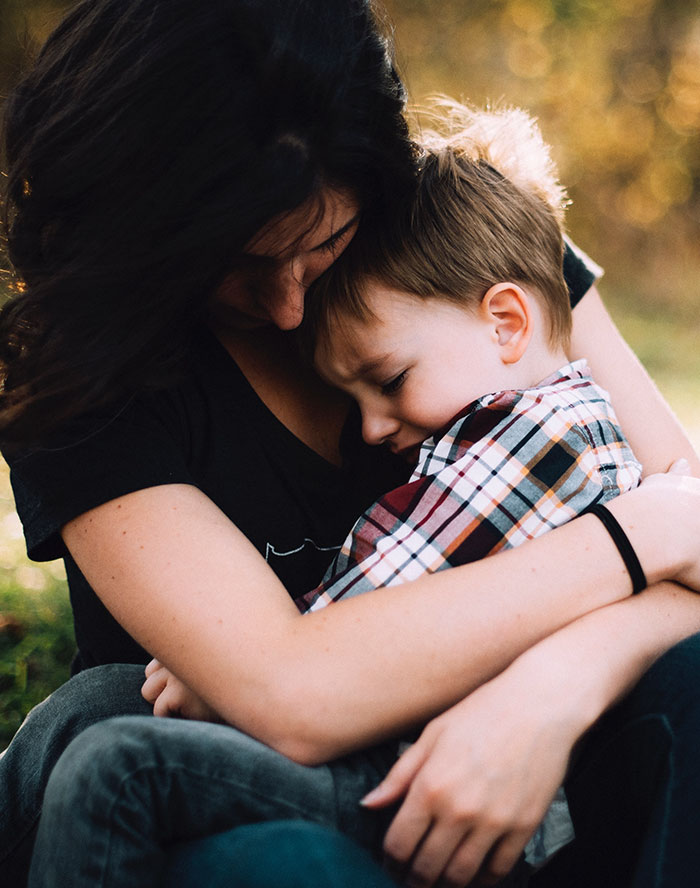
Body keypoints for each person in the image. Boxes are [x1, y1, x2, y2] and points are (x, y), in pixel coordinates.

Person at [2, 0, 700, 886]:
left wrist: (552, 689)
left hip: (537, 780)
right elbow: (290, 693)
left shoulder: (463, 246)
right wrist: (644, 536)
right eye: (239, 268)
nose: (292, 309)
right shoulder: (80, 370)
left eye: (324, 243)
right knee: (279, 865)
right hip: (261, 800)